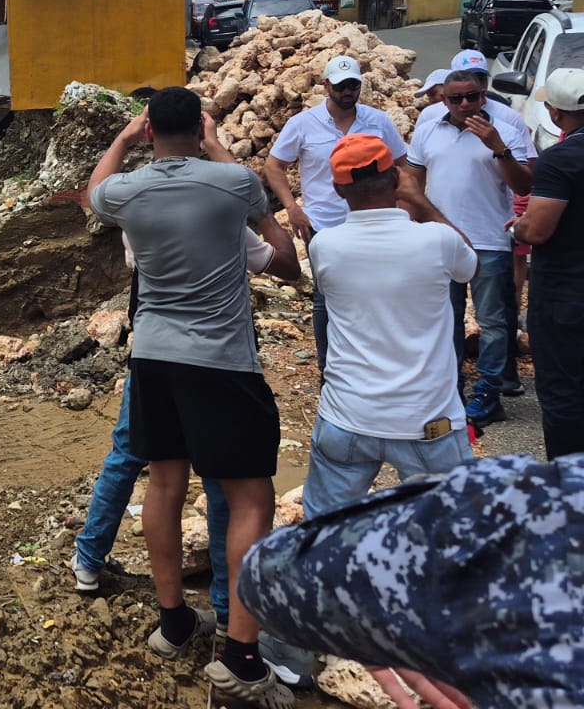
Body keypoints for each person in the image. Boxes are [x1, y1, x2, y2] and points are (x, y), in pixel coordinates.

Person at [88, 86, 292, 708]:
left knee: (164, 485)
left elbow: (97, 190)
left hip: (153, 357)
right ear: (199, 128)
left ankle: (174, 622)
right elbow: (263, 214)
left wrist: (123, 139)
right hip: (221, 362)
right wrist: (218, 145)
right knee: (251, 498)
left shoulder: (127, 194)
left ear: (149, 132)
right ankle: (242, 659)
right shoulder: (229, 185)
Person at [72, 218, 299, 637]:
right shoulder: (222, 217)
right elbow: (282, 265)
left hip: (156, 356)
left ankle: (92, 560)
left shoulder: (139, 216)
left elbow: (133, 262)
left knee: (137, 461)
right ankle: (228, 609)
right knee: (221, 480)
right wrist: (265, 214)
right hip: (216, 358)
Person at [239, 451, 584, 709]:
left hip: (352, 420)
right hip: (427, 421)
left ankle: (275, 656)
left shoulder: (553, 505)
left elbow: (268, 575)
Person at [304, 134, 477, 515]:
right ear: (397, 178)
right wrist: (420, 201)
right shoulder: (437, 240)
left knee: (325, 534)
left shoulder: (324, 246)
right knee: (449, 535)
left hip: (347, 416)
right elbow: (469, 265)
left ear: (337, 189)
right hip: (427, 420)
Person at [402, 69, 533, 428]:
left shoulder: (505, 129)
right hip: (440, 241)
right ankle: (452, 393)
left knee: (493, 324)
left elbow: (524, 185)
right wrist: (409, 226)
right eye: (455, 98)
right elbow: (412, 183)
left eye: (471, 97)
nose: (464, 104)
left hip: (489, 240)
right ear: (443, 98)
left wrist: (499, 149)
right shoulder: (428, 129)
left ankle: (488, 395)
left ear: (483, 94)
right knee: (446, 322)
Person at [266, 55, 408, 371]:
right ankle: (329, 368)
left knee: (374, 292)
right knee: (326, 297)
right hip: (322, 225)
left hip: (373, 223)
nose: (348, 92)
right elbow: (274, 165)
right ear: (326, 85)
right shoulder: (303, 124)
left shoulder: (378, 121)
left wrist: (402, 207)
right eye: (342, 86)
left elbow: (402, 164)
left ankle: (371, 363)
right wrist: (292, 208)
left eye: (353, 85)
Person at [511, 67, 584, 459]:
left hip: (565, 298)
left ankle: (571, 492)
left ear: (555, 113)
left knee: (563, 395)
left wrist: (518, 228)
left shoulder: (561, 160)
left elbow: (537, 231)